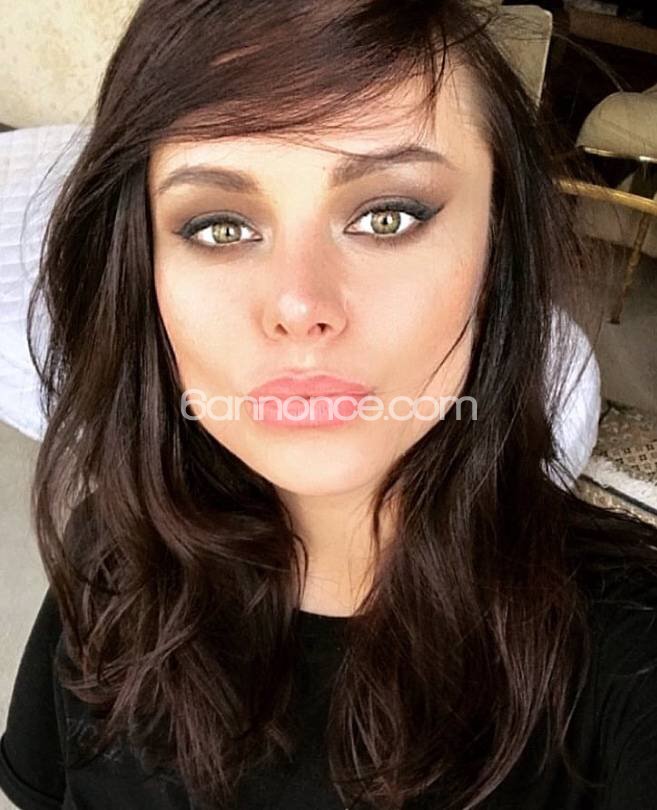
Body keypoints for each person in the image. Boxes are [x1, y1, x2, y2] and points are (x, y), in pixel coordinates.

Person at [1, 1, 656, 808]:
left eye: (387, 216)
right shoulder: (116, 552)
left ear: (498, 254)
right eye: (219, 227)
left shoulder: (629, 653)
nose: (299, 305)